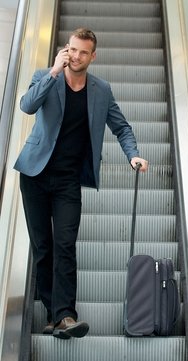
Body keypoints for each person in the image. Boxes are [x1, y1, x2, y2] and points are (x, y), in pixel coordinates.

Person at [14, 28, 148, 339]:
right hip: (34, 175)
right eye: (72, 50)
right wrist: (52, 73)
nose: (76, 56)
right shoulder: (46, 76)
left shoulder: (100, 90)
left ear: (92, 56)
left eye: (82, 52)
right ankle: (51, 315)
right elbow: (27, 106)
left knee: (64, 244)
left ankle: (65, 316)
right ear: (66, 49)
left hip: (68, 181)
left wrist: (134, 155)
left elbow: (121, 127)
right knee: (43, 248)